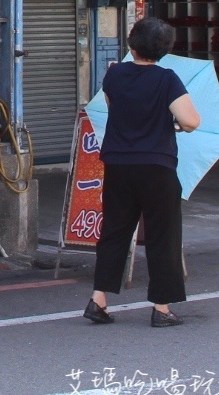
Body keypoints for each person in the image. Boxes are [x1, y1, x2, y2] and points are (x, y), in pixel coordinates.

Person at [85, 17, 201, 329]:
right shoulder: (167, 79)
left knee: (114, 231)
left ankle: (99, 300)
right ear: (164, 49)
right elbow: (191, 121)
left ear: (131, 44)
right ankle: (161, 308)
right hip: (156, 165)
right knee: (163, 234)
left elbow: (114, 107)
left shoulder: (115, 74)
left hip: (119, 163)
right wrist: (171, 122)